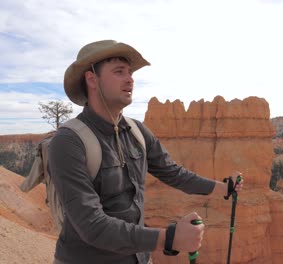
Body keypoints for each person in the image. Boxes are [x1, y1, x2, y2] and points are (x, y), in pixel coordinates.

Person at [49, 40, 244, 264]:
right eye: (119, 72)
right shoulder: (68, 142)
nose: (130, 78)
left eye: (130, 72)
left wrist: (224, 188)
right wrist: (169, 238)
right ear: (92, 79)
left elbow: (173, 173)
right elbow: (91, 224)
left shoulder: (136, 131)